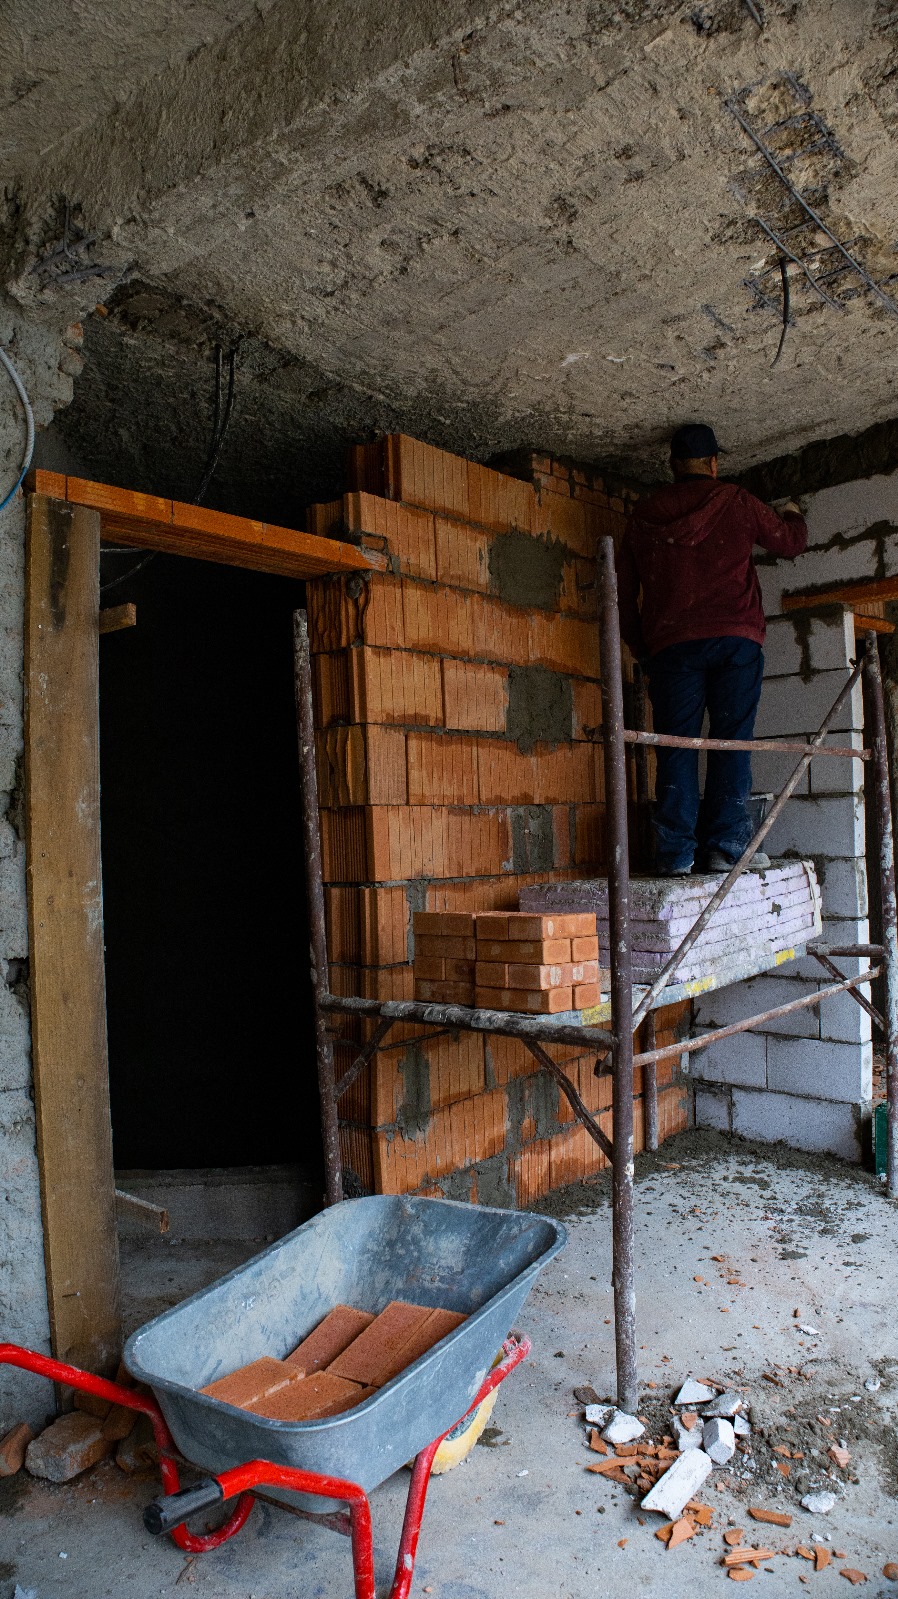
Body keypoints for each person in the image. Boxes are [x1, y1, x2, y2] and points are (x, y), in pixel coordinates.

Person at [615, 422, 807, 876]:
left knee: (676, 746)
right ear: (714, 464)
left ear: (673, 466)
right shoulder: (735, 500)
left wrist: (643, 648)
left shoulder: (643, 518)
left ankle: (675, 854)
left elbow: (621, 593)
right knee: (731, 740)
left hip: (672, 648)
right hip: (735, 641)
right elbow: (790, 542)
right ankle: (725, 847)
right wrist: (794, 512)